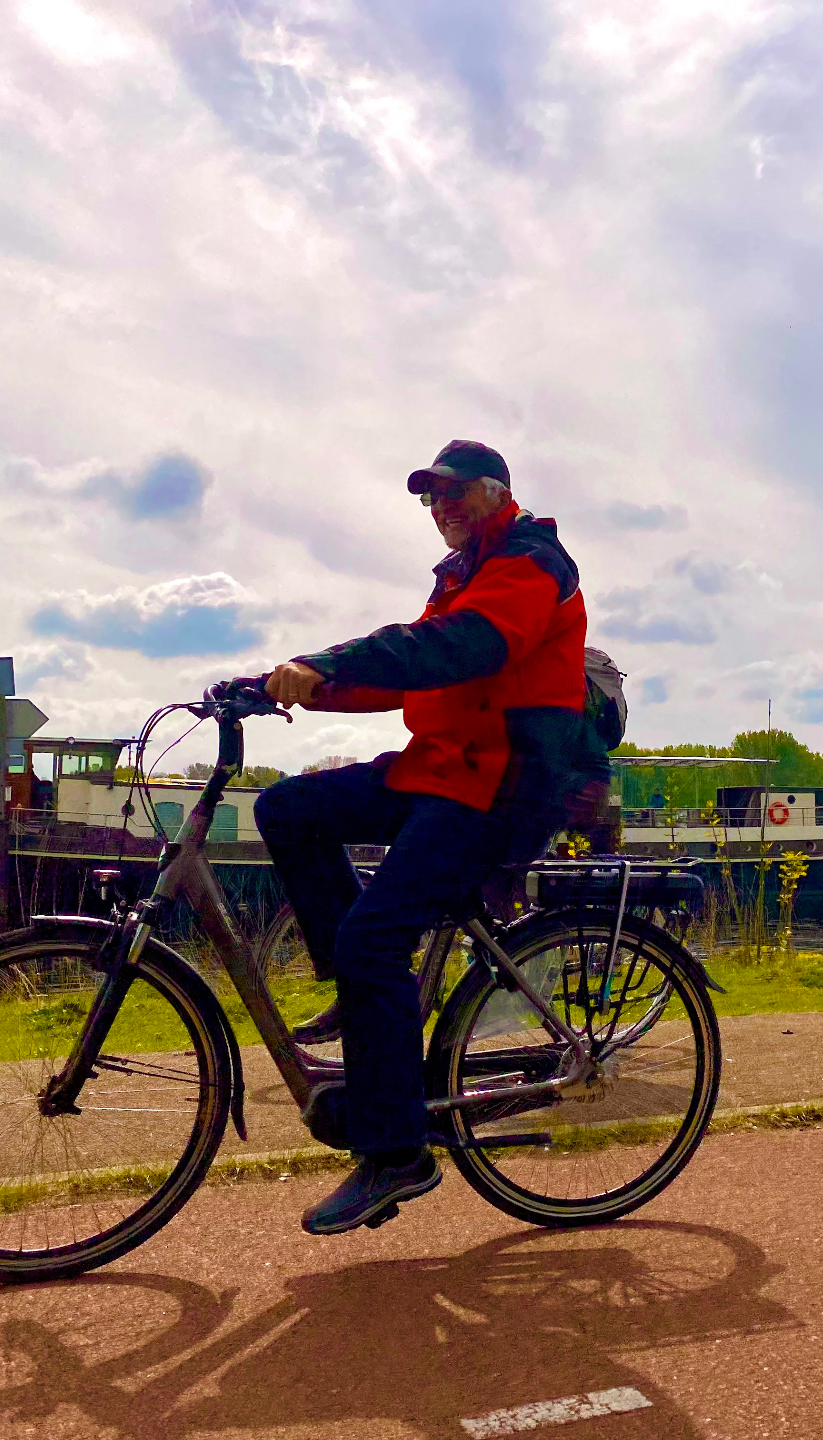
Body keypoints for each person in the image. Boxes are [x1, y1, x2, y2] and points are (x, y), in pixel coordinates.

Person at [253, 440, 607, 1235]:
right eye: (427, 498)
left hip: (505, 788)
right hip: (439, 769)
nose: (438, 509)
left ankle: (396, 1154)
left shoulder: (531, 560)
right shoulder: (462, 574)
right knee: (287, 810)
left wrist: (325, 659)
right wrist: (298, 685)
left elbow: (457, 648)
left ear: (493, 493)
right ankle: (359, 997)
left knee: (374, 941)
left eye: (450, 494)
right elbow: (402, 674)